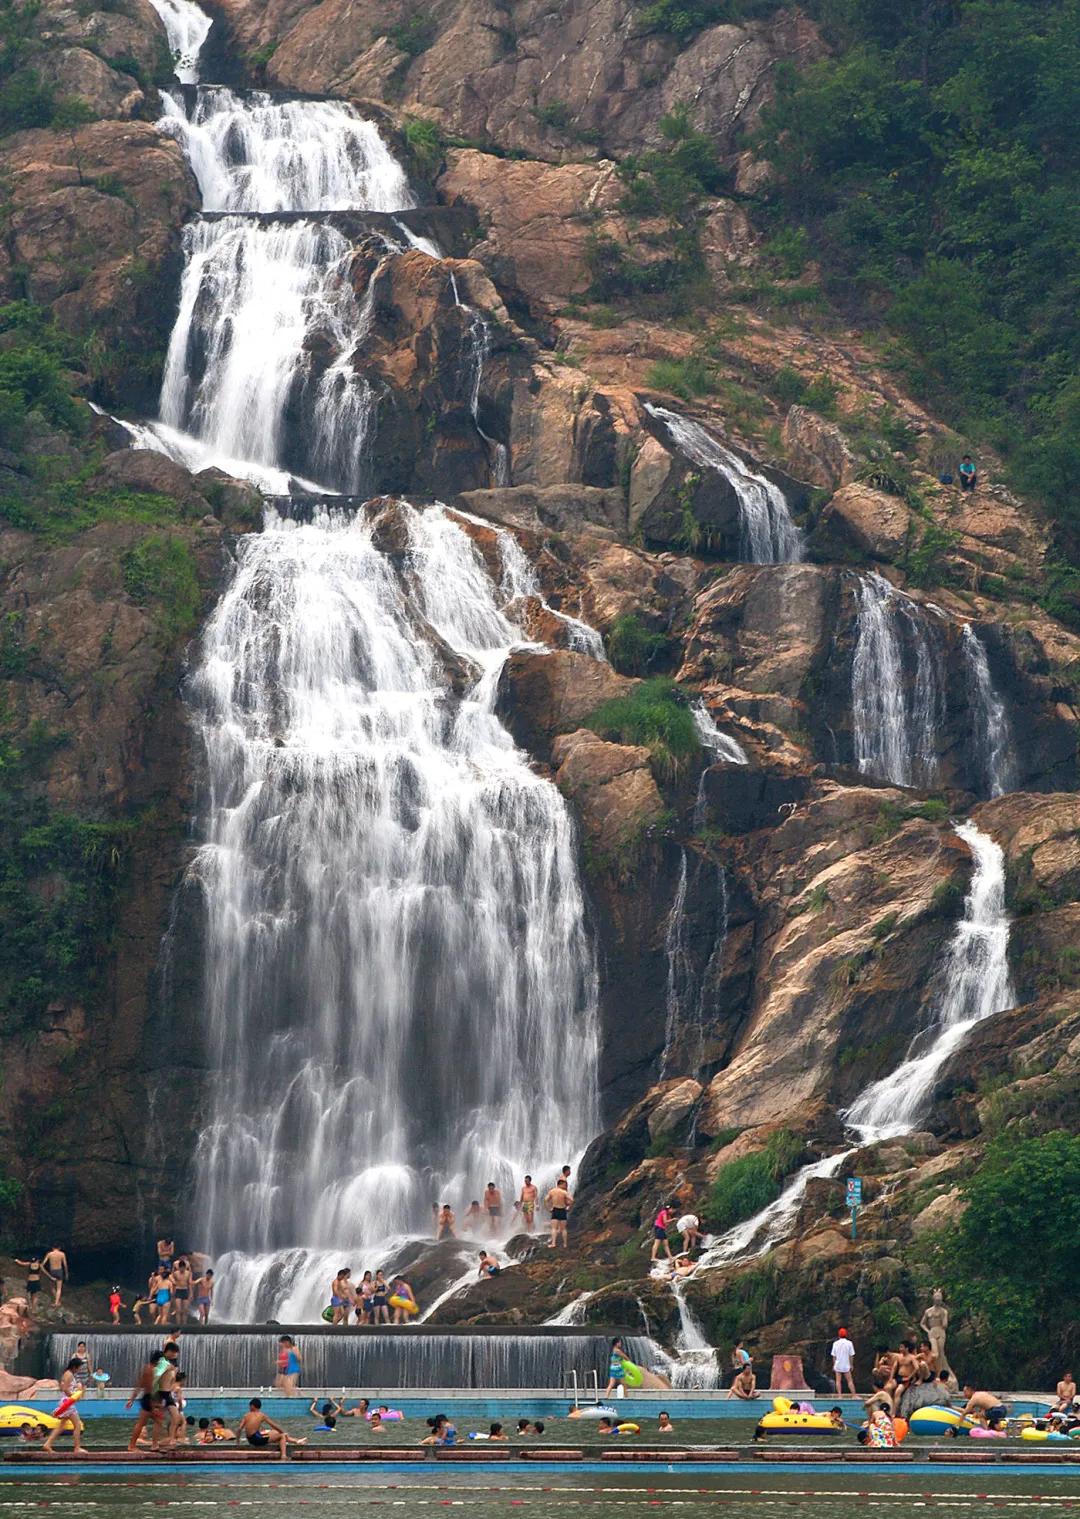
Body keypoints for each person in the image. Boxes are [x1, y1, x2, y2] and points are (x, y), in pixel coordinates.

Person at [42, 1357, 87, 1457]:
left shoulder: (68, 1373)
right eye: (79, 1367)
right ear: (75, 1367)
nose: (80, 1369)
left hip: (66, 1402)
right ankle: (77, 1448)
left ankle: (47, 1444)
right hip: (67, 1402)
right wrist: (73, 1397)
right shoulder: (69, 1375)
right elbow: (64, 1388)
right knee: (77, 1425)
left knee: (61, 1426)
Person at [238, 1398, 307, 1461]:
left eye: (249, 1406)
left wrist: (237, 1442)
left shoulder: (246, 1415)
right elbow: (274, 1425)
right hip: (257, 1439)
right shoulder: (261, 1415)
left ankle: (296, 1441)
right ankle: (283, 1455)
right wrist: (283, 1432)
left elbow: (239, 1429)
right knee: (282, 1435)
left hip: (251, 1439)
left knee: (273, 1432)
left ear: (252, 1406)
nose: (249, 1408)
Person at [126, 1353, 164, 1452]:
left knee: (148, 1422)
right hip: (151, 1398)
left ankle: (149, 1444)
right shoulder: (153, 1370)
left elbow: (139, 1384)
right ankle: (134, 1445)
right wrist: (154, 1404)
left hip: (147, 1398)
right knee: (156, 1421)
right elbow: (151, 1387)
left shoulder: (147, 1368)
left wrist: (131, 1399)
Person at [545, 1176, 572, 1248]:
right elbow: (572, 1200)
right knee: (564, 1229)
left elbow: (546, 1200)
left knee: (554, 1228)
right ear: (560, 1184)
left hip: (555, 1210)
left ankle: (553, 1244)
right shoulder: (564, 1192)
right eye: (564, 1185)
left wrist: (549, 1208)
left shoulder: (552, 1191)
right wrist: (568, 1207)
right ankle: (565, 1244)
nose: (565, 1186)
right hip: (563, 1210)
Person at [831, 1328, 856, 1396]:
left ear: (839, 1335)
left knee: (838, 1381)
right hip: (846, 1364)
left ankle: (839, 1395)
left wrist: (834, 1365)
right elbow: (851, 1355)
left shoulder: (835, 1343)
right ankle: (854, 1395)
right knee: (850, 1381)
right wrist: (851, 1364)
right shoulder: (849, 1343)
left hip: (838, 1364)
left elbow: (834, 1356)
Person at [171, 1258, 193, 1325]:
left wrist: (191, 1293)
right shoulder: (175, 1273)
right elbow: (170, 1277)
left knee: (185, 1310)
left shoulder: (188, 1273)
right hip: (178, 1290)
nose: (182, 1270)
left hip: (185, 1290)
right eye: (181, 1268)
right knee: (178, 1310)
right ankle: (178, 1325)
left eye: (183, 1268)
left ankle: (184, 1324)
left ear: (185, 1267)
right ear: (179, 1267)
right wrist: (173, 1287)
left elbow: (189, 1284)